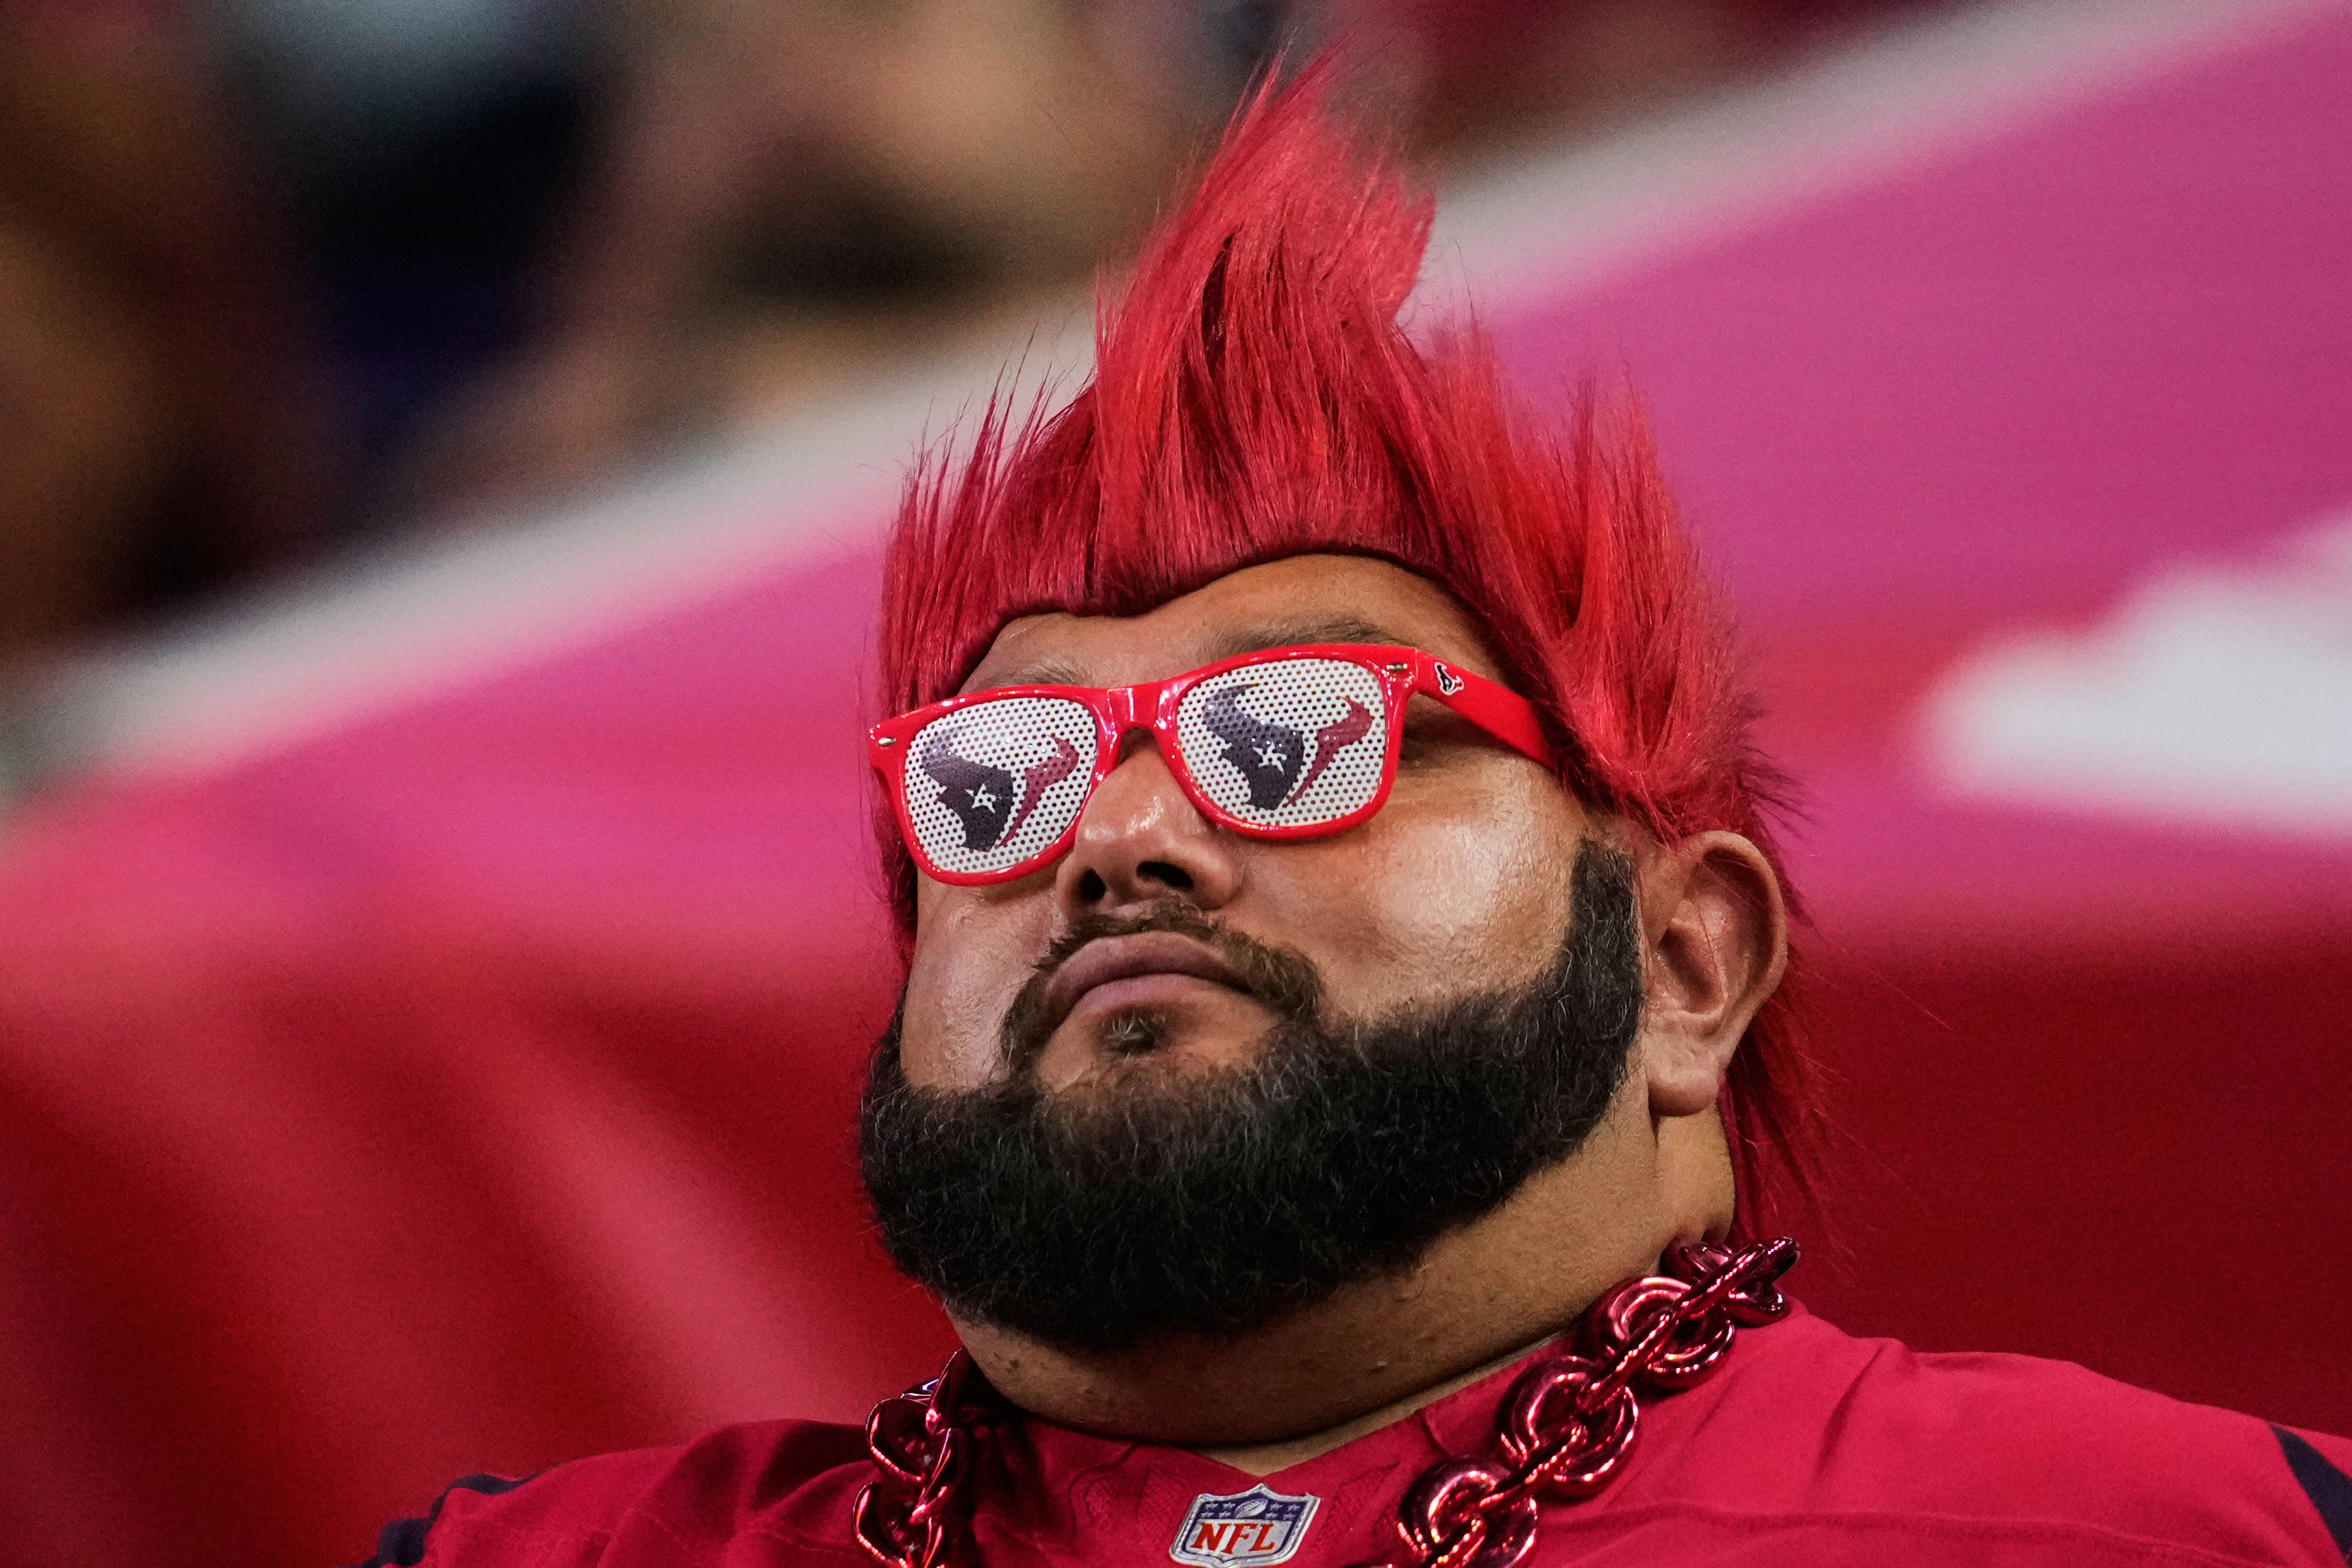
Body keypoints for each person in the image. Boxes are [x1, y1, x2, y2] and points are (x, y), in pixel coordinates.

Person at [350, 65, 2352, 1568]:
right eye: (996, 775)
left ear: (1684, 954)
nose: (1116, 833)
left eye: (1293, 731)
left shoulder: (2152, 1531)